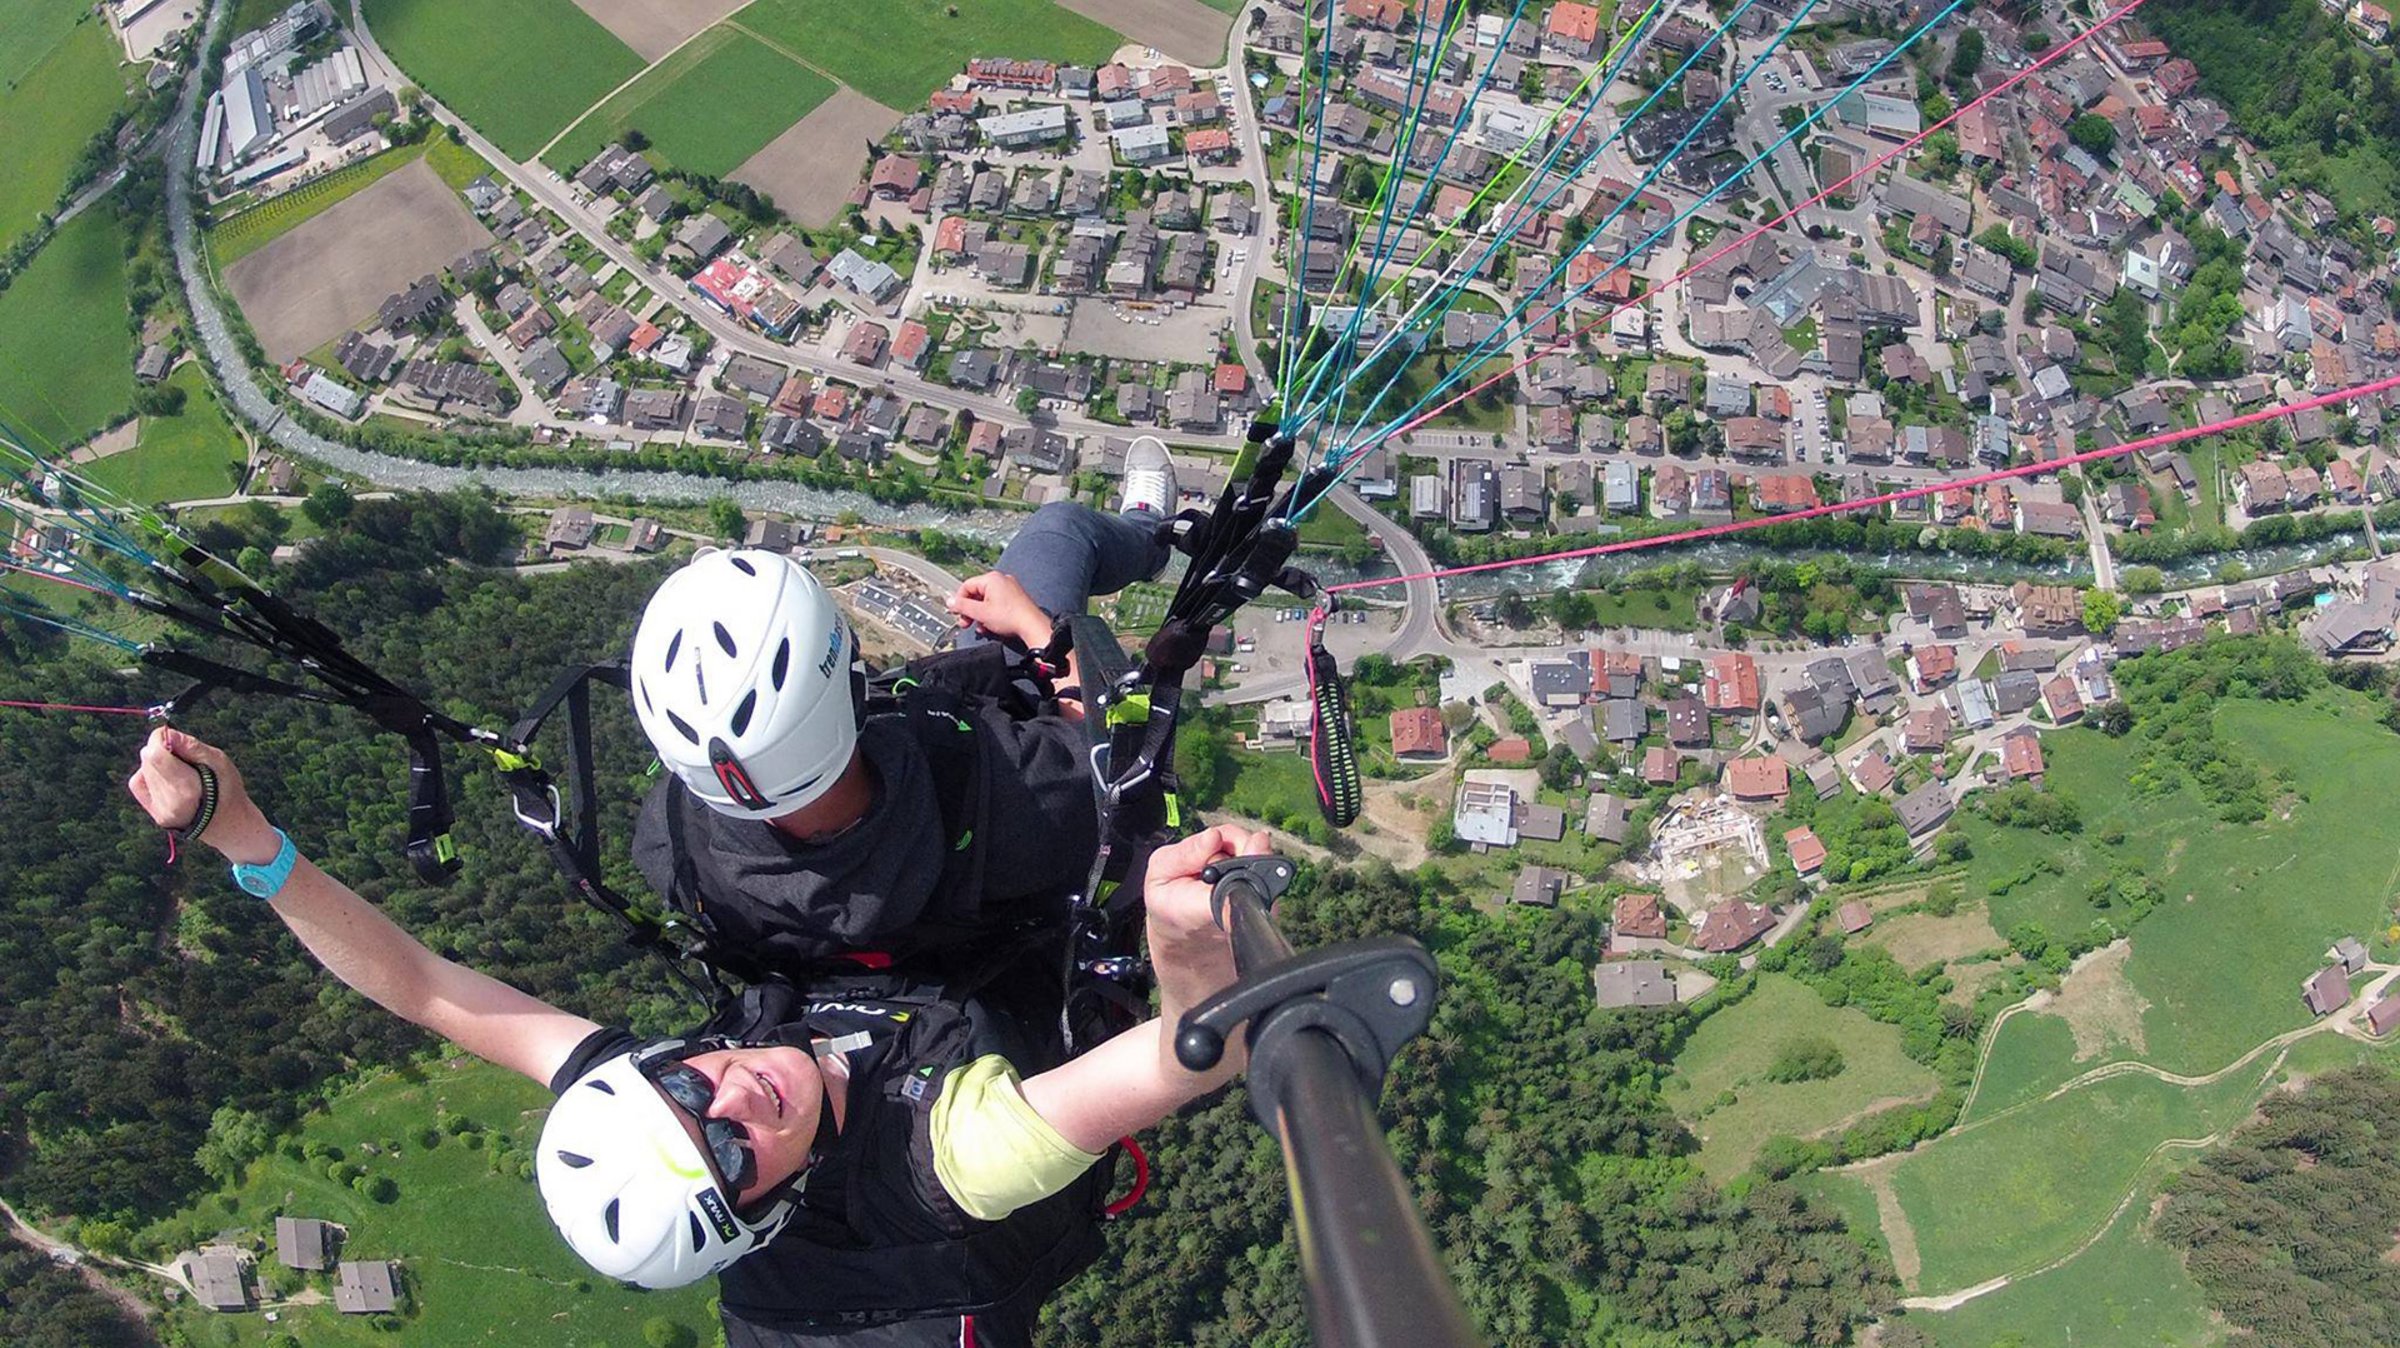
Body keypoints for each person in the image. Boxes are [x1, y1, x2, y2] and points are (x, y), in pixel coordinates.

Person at [126, 727, 1265, 1347]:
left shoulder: (667, 1102)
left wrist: (247, 839)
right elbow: (1185, 1054)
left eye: (684, 1082)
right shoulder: (951, 1160)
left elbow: (426, 988)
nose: (733, 1097)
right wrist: (1187, 934)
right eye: (728, 1157)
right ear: (762, 1211)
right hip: (950, 1140)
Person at [628, 438, 1180, 975]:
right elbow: (1114, 755)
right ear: (852, 687)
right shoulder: (1009, 792)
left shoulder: (673, 846)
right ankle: (1150, 536)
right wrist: (1036, 626)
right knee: (1062, 530)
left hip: (939, 926)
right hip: (999, 799)